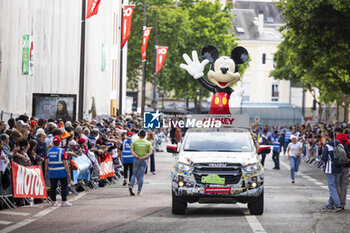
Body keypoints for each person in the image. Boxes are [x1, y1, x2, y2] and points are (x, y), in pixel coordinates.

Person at [45, 136, 73, 207]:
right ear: (59, 142)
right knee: (64, 186)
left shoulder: (48, 151)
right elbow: (65, 163)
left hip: (52, 172)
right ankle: (64, 201)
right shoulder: (62, 151)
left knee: (53, 187)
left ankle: (53, 202)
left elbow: (46, 162)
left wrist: (46, 171)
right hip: (61, 172)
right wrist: (68, 173)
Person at [321, 130, 343, 212]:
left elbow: (323, 158)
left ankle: (338, 205)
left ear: (328, 137)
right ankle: (330, 205)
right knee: (334, 187)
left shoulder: (327, 146)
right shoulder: (340, 145)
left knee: (332, 188)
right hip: (339, 168)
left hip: (330, 168)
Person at [129, 129, 153, 196]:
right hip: (144, 159)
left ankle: (131, 186)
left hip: (136, 159)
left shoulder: (135, 142)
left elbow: (131, 151)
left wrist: (137, 156)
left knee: (134, 174)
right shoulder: (148, 143)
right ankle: (139, 191)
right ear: (145, 135)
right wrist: (144, 157)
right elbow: (151, 152)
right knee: (141, 175)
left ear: (139, 135)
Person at [335, 127, 350, 210]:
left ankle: (337, 204)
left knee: (336, 185)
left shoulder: (336, 141)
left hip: (338, 166)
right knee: (344, 185)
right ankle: (343, 203)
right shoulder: (348, 141)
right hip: (347, 166)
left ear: (337, 132)